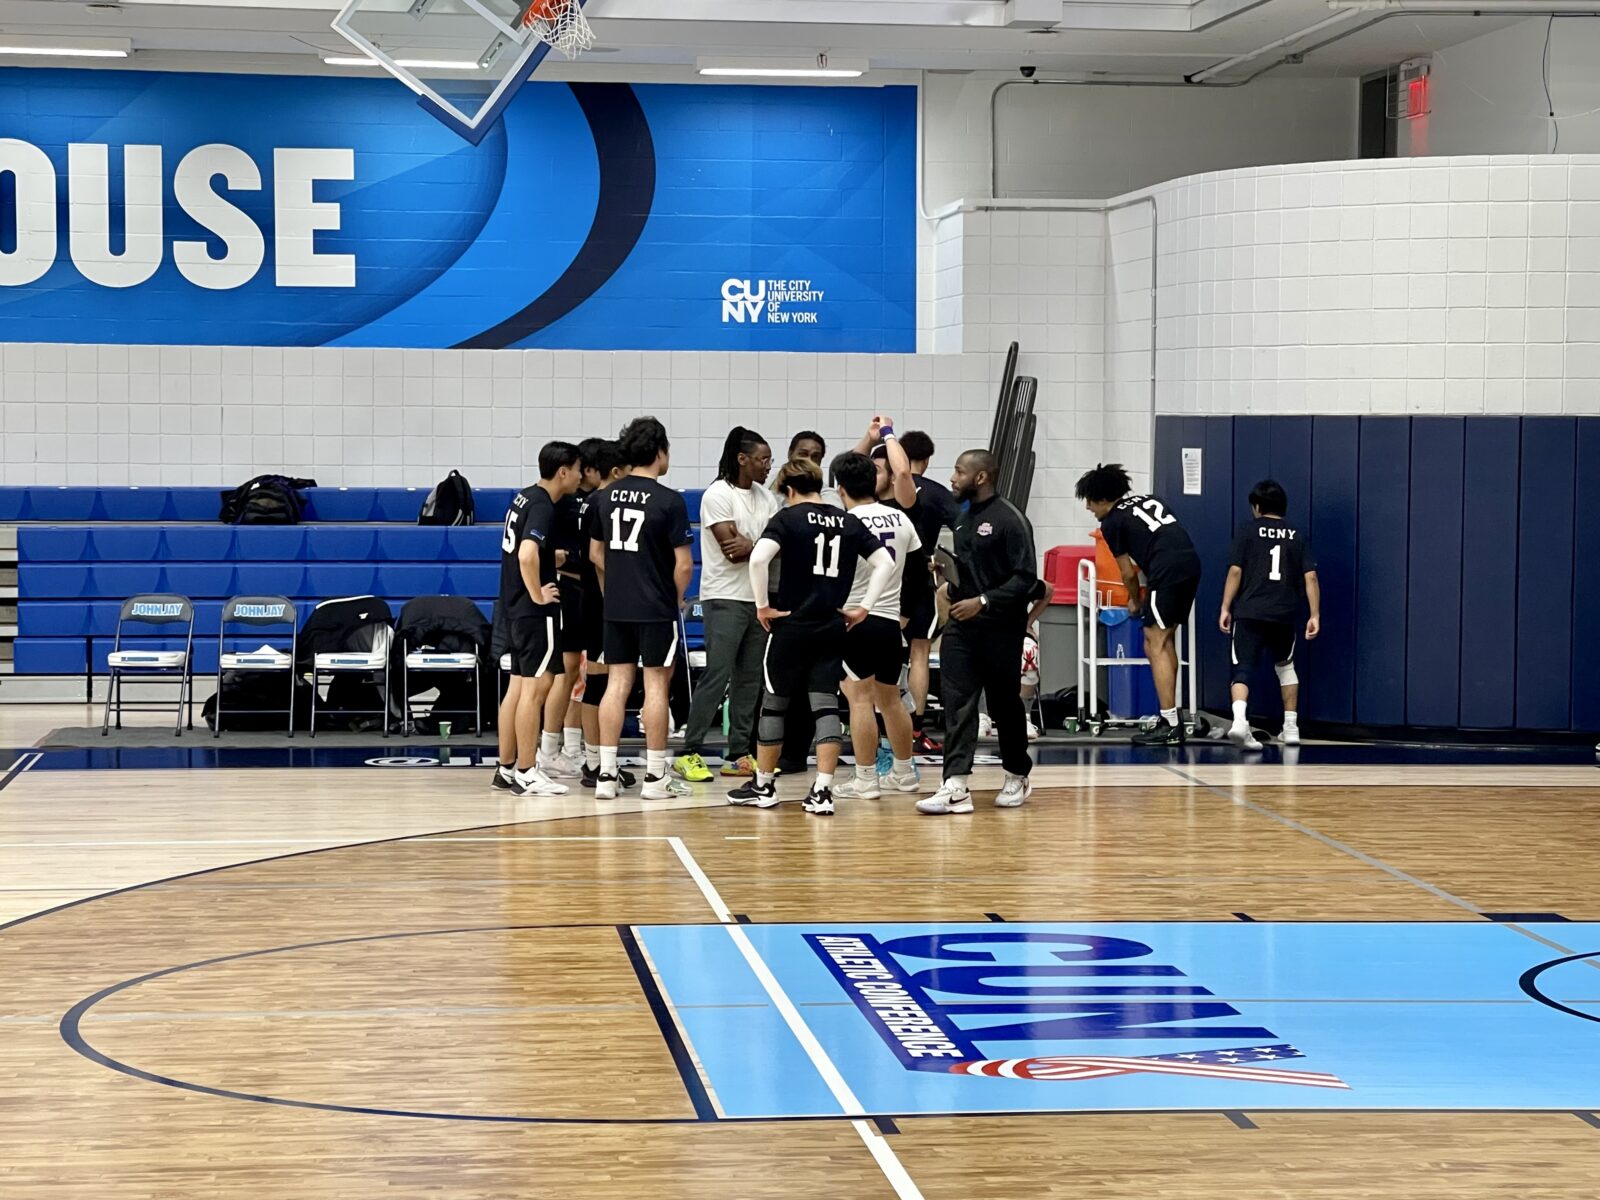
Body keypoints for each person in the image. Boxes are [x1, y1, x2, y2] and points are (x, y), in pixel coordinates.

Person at [728, 458, 894, 816]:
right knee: (826, 706)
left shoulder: (787, 518)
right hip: (832, 626)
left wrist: (761, 607)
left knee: (775, 703)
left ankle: (764, 785)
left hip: (790, 625)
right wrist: (864, 606)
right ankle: (822, 791)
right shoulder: (847, 520)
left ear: (788, 489)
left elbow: (758, 560)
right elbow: (886, 563)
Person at [917, 450, 1038, 816]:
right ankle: (955, 785)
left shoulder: (1011, 519)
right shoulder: (962, 516)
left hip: (1001, 628)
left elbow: (1027, 580)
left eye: (958, 471)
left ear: (981, 477)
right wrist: (946, 571)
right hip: (961, 627)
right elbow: (970, 568)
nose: (952, 478)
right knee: (958, 704)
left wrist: (983, 600)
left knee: (1004, 704)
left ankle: (1017, 772)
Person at [588, 417, 695, 801]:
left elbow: (595, 555)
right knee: (655, 686)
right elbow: (683, 565)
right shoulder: (669, 500)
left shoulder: (602, 497)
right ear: (659, 452)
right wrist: (676, 598)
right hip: (656, 607)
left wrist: (611, 592)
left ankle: (605, 774)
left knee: (616, 685)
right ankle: (654, 777)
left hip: (615, 607)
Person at [674, 427, 777, 783]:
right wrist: (762, 546)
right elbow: (732, 550)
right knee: (717, 676)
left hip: (757, 600)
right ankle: (689, 752)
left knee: (749, 680)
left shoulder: (767, 498)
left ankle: (738, 754)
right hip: (724, 597)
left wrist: (756, 544)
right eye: (762, 459)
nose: (768, 466)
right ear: (742, 459)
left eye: (770, 460)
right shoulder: (718, 495)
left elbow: (771, 550)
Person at [1075, 463, 1203, 746]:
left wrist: (1135, 600)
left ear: (1102, 498)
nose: (1088, 508)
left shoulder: (1111, 522)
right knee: (1165, 640)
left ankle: (1170, 724)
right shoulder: (1151, 499)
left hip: (1166, 570)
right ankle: (1171, 717)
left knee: (1153, 642)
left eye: (1089, 501)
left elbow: (1126, 572)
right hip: (1190, 564)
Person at [491, 441, 583, 797]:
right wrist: (539, 594)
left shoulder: (524, 497)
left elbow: (528, 552)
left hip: (511, 606)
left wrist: (551, 559)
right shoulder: (545, 505)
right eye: (576, 469)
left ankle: (506, 768)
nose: (579, 476)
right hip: (533, 611)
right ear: (563, 471)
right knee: (535, 689)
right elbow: (527, 554)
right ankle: (528, 770)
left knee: (517, 687)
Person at [831, 442, 923, 800]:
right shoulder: (901, 517)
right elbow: (917, 571)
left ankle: (866, 778)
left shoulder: (845, 523)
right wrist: (903, 615)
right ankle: (904, 772)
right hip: (889, 623)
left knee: (859, 699)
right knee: (891, 700)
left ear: (840, 488)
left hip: (855, 618)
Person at [1219, 479, 1321, 751]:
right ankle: (1291, 728)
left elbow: (1235, 571)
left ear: (1256, 506)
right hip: (1284, 612)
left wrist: (1226, 606)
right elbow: (1310, 577)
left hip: (1250, 611)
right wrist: (1315, 614)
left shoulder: (1247, 531)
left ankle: (1239, 722)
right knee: (1286, 667)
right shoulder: (1297, 535)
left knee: (1242, 668)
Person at [537, 437, 605, 781]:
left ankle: (571, 749)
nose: (581, 475)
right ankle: (548, 750)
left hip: (584, 594)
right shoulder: (562, 505)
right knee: (565, 674)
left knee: (580, 677)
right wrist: (567, 562)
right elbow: (552, 555)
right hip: (569, 593)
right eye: (580, 470)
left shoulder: (588, 502)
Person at [574, 441, 637, 791]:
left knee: (597, 681)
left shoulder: (588, 503)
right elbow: (599, 558)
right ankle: (596, 762)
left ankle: (595, 759)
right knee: (600, 682)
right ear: (617, 472)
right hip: (601, 604)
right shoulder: (604, 501)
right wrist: (618, 591)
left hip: (590, 601)